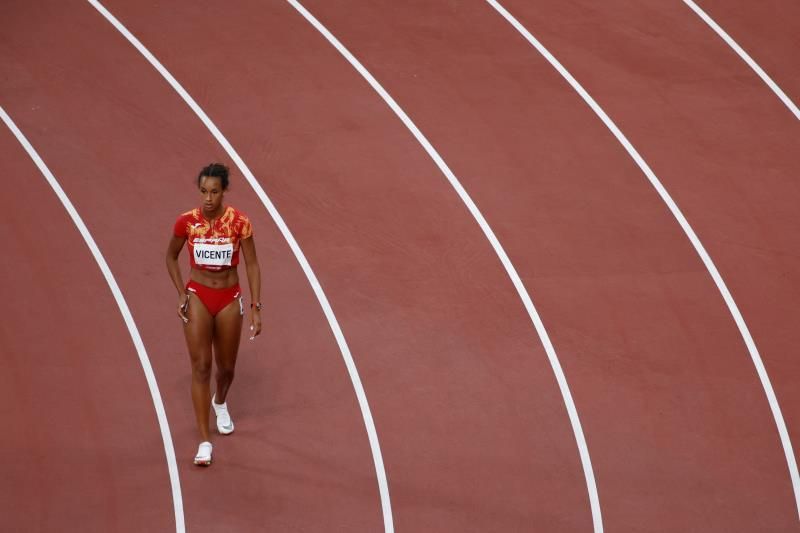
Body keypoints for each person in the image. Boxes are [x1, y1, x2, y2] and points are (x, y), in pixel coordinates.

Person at [166, 163, 262, 466]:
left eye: (214, 192)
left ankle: (219, 401)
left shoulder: (239, 222)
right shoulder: (186, 222)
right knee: (201, 367)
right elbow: (170, 257)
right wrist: (181, 291)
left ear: (224, 192)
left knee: (227, 368)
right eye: (204, 191)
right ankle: (204, 440)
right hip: (198, 296)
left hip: (229, 299)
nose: (208, 198)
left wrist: (256, 307)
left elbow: (252, 264)